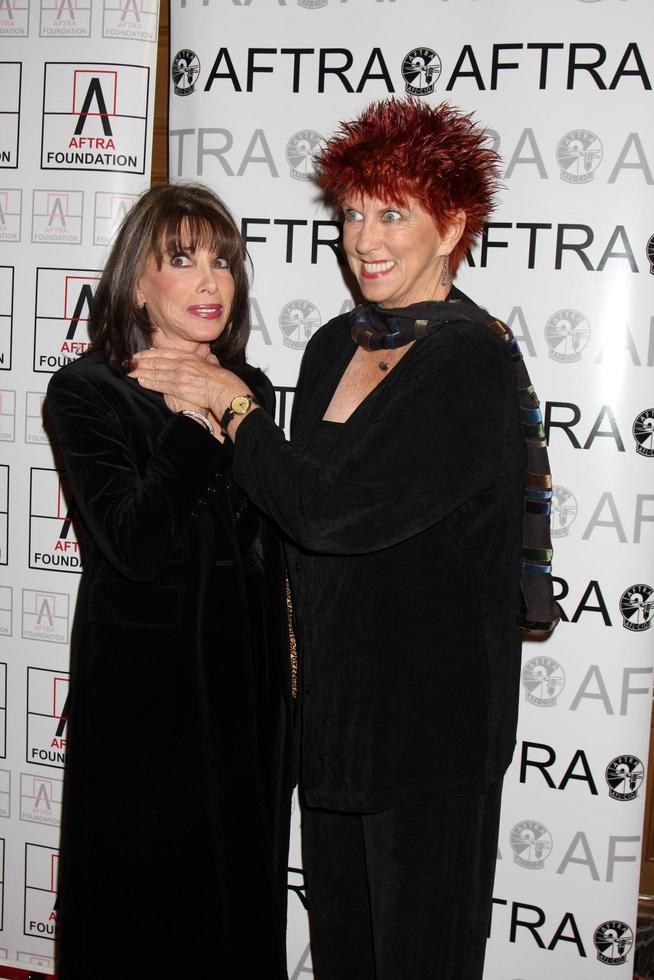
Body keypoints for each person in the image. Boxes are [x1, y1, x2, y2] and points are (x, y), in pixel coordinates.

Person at [132, 100, 558, 980]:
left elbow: (334, 511)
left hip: (428, 739)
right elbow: (291, 517)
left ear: (453, 225)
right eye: (354, 212)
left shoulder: (470, 363)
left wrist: (233, 404)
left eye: (393, 213)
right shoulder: (333, 344)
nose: (364, 237)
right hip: (331, 726)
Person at [46, 183, 292, 979]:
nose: (211, 281)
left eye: (223, 260)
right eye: (182, 259)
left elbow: (275, 536)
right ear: (137, 281)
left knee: (235, 900)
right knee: (150, 908)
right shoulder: (88, 392)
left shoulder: (245, 385)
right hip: (149, 702)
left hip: (245, 691)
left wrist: (232, 405)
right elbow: (133, 544)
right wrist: (193, 422)